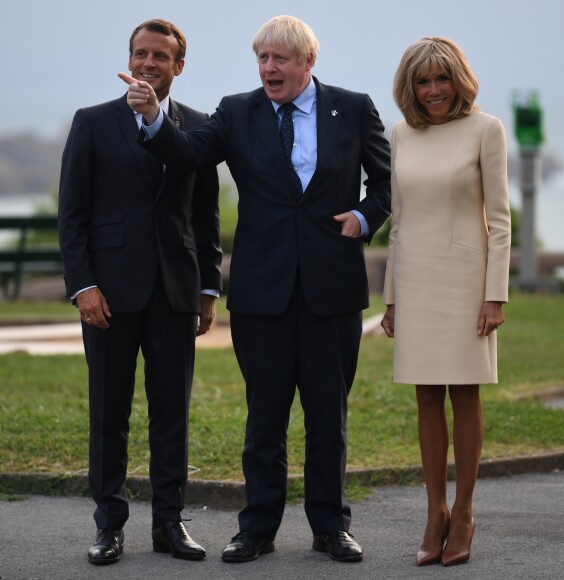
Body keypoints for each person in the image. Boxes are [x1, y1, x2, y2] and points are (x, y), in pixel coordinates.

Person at [121, 14, 391, 563]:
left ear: (307, 63)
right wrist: (152, 118)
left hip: (331, 292)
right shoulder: (236, 111)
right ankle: (257, 528)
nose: (269, 68)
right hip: (261, 294)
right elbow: (191, 153)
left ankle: (330, 527)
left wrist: (363, 220)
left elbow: (384, 183)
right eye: (263, 59)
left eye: (280, 59)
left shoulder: (353, 107)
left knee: (328, 420)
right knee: (263, 419)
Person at [58, 19, 222, 565]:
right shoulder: (93, 123)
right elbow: (72, 215)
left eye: (160, 56)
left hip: (175, 294)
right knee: (109, 414)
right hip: (107, 295)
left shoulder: (199, 127)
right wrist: (83, 285)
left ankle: (169, 525)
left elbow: (206, 218)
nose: (149, 63)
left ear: (179, 65)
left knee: (171, 412)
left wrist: (207, 288)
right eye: (140, 53)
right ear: (130, 59)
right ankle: (109, 526)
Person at [380, 37, 511, 567]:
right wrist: (390, 298)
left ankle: (464, 512)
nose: (433, 90)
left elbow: (499, 221)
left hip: (466, 281)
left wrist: (494, 295)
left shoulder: (487, 129)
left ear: (458, 79)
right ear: (410, 86)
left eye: (442, 78)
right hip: (414, 279)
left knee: (465, 395)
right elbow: (399, 221)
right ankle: (433, 512)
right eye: (423, 81)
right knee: (426, 397)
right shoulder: (401, 134)